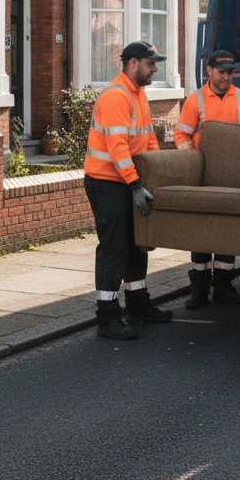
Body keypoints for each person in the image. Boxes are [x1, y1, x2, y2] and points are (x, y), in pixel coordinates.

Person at [83, 41, 174, 340]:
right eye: (151, 64)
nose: (155, 69)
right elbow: (117, 147)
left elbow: (147, 139)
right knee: (114, 248)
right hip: (107, 182)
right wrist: (135, 184)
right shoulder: (116, 96)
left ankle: (137, 304)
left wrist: (155, 173)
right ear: (133, 63)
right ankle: (107, 317)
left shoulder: (139, 94)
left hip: (128, 180)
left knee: (137, 245)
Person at [173, 50, 240, 308]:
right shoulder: (195, 100)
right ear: (209, 70)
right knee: (201, 230)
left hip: (231, 175)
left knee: (226, 230)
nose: (227, 77)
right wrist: (195, 159)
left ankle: (223, 287)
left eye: (231, 72)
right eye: (222, 72)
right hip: (202, 176)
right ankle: (198, 290)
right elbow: (181, 136)